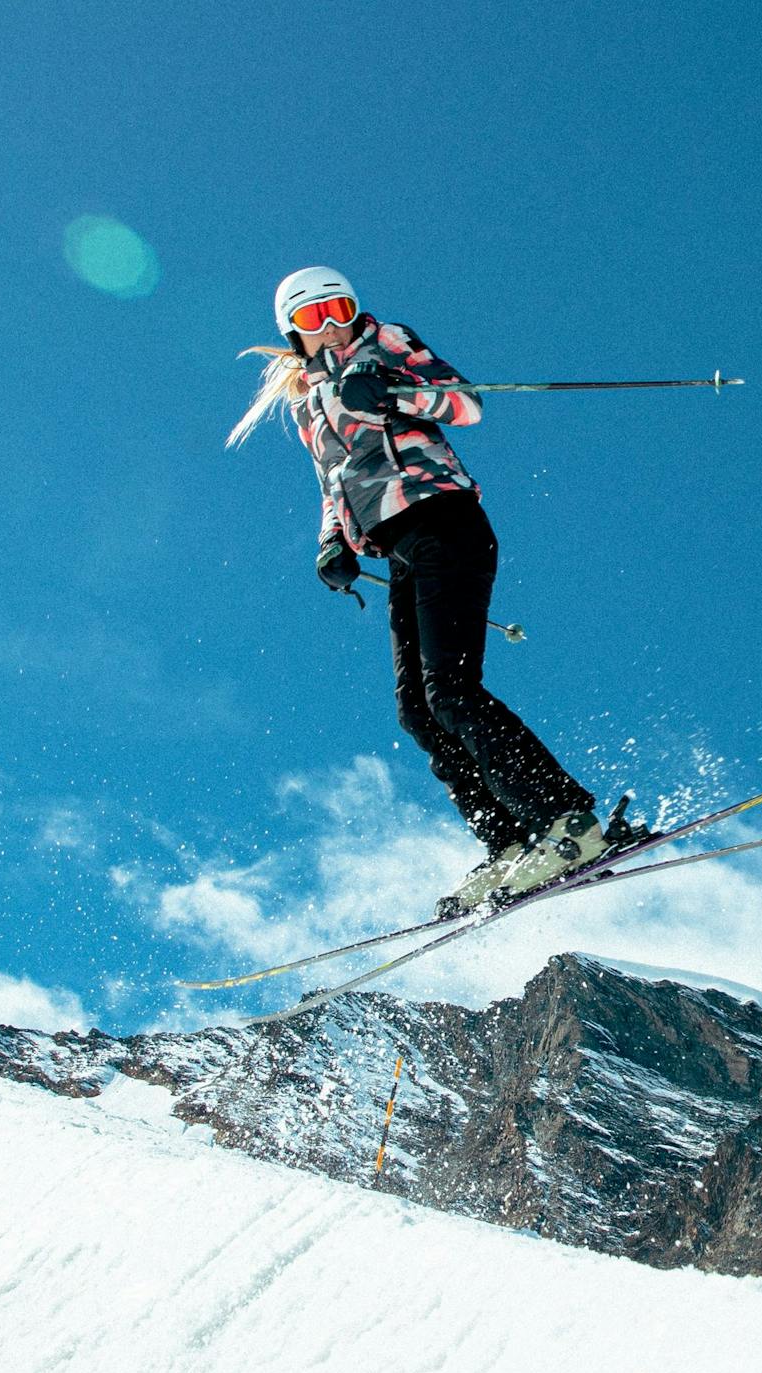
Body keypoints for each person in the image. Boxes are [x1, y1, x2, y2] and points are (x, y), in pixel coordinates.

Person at [229, 266, 609, 914]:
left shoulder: (386, 345)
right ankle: (511, 841)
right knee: (418, 710)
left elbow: (466, 403)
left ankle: (567, 823)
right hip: (398, 548)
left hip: (444, 521)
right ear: (292, 333)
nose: (332, 326)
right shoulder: (305, 403)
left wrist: (394, 392)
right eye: (313, 318)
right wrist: (333, 543)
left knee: (452, 692)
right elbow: (334, 481)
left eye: (339, 308)